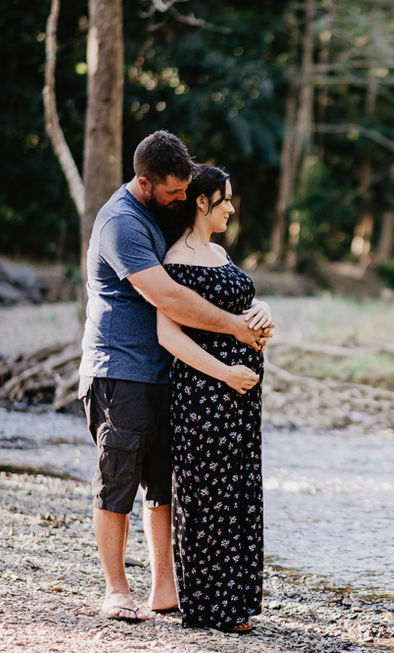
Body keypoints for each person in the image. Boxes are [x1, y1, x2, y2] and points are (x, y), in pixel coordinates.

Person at [78, 132, 270, 623]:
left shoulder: (165, 208)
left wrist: (256, 311)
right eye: (173, 192)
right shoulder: (121, 222)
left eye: (187, 190)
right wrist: (237, 328)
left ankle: (165, 589)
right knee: (117, 481)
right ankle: (116, 590)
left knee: (164, 485)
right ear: (144, 182)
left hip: (168, 375)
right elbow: (168, 297)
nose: (182, 199)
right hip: (120, 371)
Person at [156, 165, 272, 633]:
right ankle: (210, 608)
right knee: (208, 498)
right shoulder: (175, 261)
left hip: (241, 398)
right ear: (202, 201)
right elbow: (168, 335)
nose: (232, 208)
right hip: (204, 396)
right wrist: (225, 373)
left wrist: (263, 309)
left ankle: (237, 603)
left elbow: (241, 305)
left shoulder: (220, 253)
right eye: (226, 199)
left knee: (238, 492)